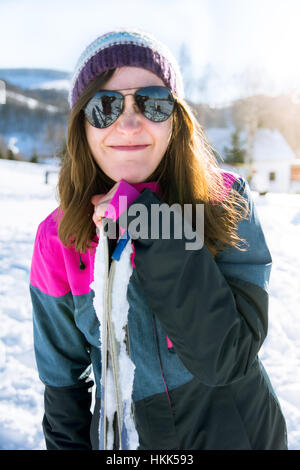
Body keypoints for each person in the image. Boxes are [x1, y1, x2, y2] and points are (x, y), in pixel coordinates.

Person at [29, 29, 288, 450]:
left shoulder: (226, 200)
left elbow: (225, 357)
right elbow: (63, 388)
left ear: (176, 119)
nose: (129, 123)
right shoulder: (57, 239)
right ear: (81, 126)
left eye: (153, 103)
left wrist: (150, 222)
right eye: (105, 106)